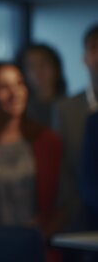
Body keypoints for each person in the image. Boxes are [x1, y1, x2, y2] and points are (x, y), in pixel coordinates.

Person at [0, 62, 62, 243]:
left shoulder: (48, 141)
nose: (15, 93)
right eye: (4, 87)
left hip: (38, 247)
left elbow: (64, 201)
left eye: (19, 83)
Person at [52, 23, 98, 232]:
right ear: (85, 57)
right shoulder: (65, 109)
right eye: (94, 48)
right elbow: (61, 171)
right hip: (77, 223)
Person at [16, 44, 67, 127]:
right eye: (31, 65)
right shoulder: (18, 110)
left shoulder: (72, 107)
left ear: (56, 68)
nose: (38, 71)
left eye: (43, 63)